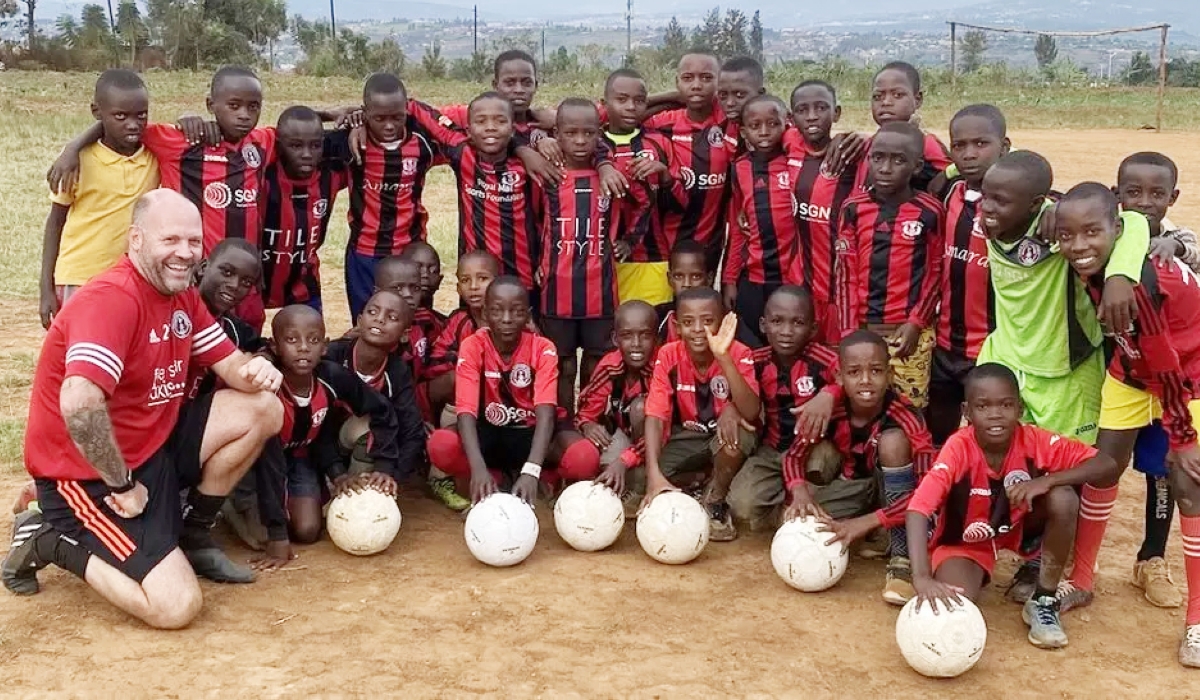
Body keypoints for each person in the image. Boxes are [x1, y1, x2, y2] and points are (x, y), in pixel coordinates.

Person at [3, 190, 283, 629]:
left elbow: (231, 366)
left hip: (151, 448)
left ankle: (194, 532)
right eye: (170, 240)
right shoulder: (113, 300)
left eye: (193, 241)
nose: (186, 253)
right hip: (89, 475)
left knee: (264, 408)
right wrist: (122, 482)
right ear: (135, 239)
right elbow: (80, 402)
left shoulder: (181, 296)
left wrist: (259, 370)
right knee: (176, 607)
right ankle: (49, 537)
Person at [1051, 182, 1200, 665]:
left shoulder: (1145, 285)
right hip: (1130, 372)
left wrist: (1183, 437)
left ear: (1116, 230)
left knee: (1187, 480)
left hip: (1189, 376)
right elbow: (1122, 218)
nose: (1078, 246)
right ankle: (1082, 580)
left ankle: (1197, 621)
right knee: (1103, 467)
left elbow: (1168, 364)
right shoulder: (1104, 261)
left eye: (1092, 232)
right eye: (1067, 235)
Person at [907, 363, 1119, 650]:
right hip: (967, 540)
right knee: (954, 605)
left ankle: (1043, 600)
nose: (995, 414)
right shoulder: (959, 447)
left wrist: (1048, 481)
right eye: (983, 406)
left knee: (1063, 496)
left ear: (1019, 409)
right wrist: (920, 577)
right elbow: (918, 509)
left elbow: (1106, 465)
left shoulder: (1033, 440)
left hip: (1021, 527)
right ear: (967, 412)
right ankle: (967, 571)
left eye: (1006, 405)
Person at [781, 330, 935, 605]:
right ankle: (874, 533)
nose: (865, 380)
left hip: (895, 494)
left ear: (889, 375)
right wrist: (799, 492)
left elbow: (927, 495)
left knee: (893, 442)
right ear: (839, 377)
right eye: (854, 372)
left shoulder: (907, 417)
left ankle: (902, 558)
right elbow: (792, 457)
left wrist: (867, 521)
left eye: (876, 371)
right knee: (798, 521)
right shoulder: (828, 409)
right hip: (852, 486)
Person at [1117, 151, 1199, 607]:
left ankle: (1151, 558)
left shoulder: (1176, 239)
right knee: (1100, 466)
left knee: (1162, 472)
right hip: (1121, 376)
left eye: (1156, 194)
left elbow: (1196, 253)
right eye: (1133, 193)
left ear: (1172, 198)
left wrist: (1178, 248)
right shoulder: (1106, 235)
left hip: (1173, 382)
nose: (1145, 203)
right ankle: (1073, 560)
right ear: (1117, 196)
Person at [259, 305, 401, 550]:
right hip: (257, 466)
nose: (303, 347)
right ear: (274, 346)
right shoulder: (267, 386)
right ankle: (237, 503)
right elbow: (266, 461)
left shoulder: (332, 376)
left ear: (324, 347)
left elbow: (381, 410)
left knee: (307, 531)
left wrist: (344, 473)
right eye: (292, 339)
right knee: (262, 538)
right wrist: (276, 534)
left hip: (301, 459)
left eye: (313, 340)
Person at [538, 99, 638, 415]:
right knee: (563, 364)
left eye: (589, 133)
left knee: (598, 363)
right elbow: (530, 223)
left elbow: (642, 205)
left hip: (601, 291)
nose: (580, 141)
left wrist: (628, 240)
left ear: (600, 135)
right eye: (571, 133)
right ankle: (566, 420)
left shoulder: (611, 177)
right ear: (557, 134)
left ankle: (591, 418)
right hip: (556, 291)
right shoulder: (547, 176)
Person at [834, 121, 943, 409]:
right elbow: (845, 275)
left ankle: (913, 454)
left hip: (908, 334)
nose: (885, 168)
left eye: (898, 160)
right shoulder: (853, 208)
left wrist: (916, 323)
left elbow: (935, 273)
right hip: (863, 329)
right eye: (878, 158)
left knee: (909, 407)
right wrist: (848, 333)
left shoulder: (930, 211)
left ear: (917, 166)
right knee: (860, 406)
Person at [39, 69, 159, 330]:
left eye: (141, 115)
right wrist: (45, 288)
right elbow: (55, 223)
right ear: (97, 112)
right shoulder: (77, 161)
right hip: (80, 277)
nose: (132, 124)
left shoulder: (154, 154)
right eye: (120, 116)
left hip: (132, 279)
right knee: (78, 351)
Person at [426, 277, 560, 505]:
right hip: (487, 432)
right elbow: (465, 411)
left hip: (528, 434)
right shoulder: (472, 345)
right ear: (485, 314)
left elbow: (546, 412)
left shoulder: (543, 348)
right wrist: (477, 469)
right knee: (441, 444)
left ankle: (532, 476)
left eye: (516, 312)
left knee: (582, 458)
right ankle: (489, 478)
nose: (507, 319)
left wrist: (533, 469)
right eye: (497, 311)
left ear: (528, 316)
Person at [642, 287, 760, 541]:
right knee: (649, 476)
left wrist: (723, 356)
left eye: (708, 321)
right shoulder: (669, 354)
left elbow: (751, 412)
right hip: (690, 436)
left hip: (725, 436)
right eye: (688, 322)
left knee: (735, 435)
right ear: (676, 325)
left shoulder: (740, 353)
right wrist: (653, 475)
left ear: (722, 321)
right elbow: (654, 414)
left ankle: (714, 499)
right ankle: (703, 478)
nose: (697, 329)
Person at [927, 104, 1010, 446]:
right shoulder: (947, 194)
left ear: (1004, 147)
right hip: (944, 346)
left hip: (993, 350)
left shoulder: (1023, 207)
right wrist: (946, 174)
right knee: (937, 434)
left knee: (990, 439)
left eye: (980, 144)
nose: (969, 154)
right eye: (959, 146)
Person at [728, 286, 840, 531]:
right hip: (771, 450)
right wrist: (730, 407)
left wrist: (830, 393)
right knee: (741, 506)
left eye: (798, 323)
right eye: (777, 321)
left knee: (823, 460)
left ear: (812, 329)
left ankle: (800, 499)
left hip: (814, 448)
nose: (787, 332)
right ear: (763, 324)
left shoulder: (825, 359)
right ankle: (787, 511)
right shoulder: (756, 360)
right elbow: (733, 389)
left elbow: (850, 376)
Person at [555, 300, 659, 506]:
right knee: (593, 462)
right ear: (615, 338)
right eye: (627, 336)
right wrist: (587, 425)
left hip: (660, 442)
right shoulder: (611, 366)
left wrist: (624, 461)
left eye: (645, 335)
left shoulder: (659, 368)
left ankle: (640, 484)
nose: (636, 344)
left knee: (641, 408)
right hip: (624, 436)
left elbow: (662, 429)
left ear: (656, 339)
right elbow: (585, 412)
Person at [644, 53, 737, 274]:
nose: (696, 85)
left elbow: (767, 109)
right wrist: (665, 98)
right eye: (687, 78)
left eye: (706, 78)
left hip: (709, 246)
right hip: (664, 245)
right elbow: (617, 116)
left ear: (719, 83)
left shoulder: (730, 121)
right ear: (677, 83)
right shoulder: (662, 123)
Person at [723, 94, 803, 347]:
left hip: (791, 277)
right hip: (753, 277)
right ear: (744, 132)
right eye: (755, 126)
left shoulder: (796, 162)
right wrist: (729, 280)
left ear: (787, 123)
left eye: (773, 123)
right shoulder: (739, 168)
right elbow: (737, 230)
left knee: (789, 341)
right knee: (750, 343)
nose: (765, 132)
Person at [786, 80, 862, 343]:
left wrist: (855, 138)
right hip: (801, 284)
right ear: (791, 117)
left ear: (836, 112)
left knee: (839, 358)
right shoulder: (790, 145)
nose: (812, 116)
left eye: (821, 107)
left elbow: (898, 143)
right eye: (802, 109)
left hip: (840, 291)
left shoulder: (853, 156)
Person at [258, 106, 349, 315]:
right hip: (254, 282)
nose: (307, 154)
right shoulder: (259, 174)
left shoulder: (331, 174)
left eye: (315, 145)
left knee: (308, 341)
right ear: (279, 146)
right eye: (296, 146)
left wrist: (355, 121)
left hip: (303, 284)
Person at [597, 68, 677, 308]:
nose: (631, 106)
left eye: (639, 100)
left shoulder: (659, 143)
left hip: (652, 260)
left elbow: (680, 203)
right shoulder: (591, 145)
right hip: (602, 263)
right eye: (621, 99)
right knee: (612, 335)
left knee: (652, 333)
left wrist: (664, 175)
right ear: (604, 104)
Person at [427, 250, 500, 426]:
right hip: (462, 395)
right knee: (455, 378)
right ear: (458, 288)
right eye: (466, 280)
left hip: (505, 396)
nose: (473, 286)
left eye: (482, 279)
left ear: (497, 283)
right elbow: (436, 362)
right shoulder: (458, 320)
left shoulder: (509, 319)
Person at [858, 61, 951, 193]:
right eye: (878, 96)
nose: (886, 102)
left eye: (898, 95)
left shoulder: (926, 144)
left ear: (917, 100)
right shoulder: (867, 143)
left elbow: (951, 180)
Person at [437, 50, 553, 140]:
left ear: (536, 86)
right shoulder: (473, 115)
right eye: (510, 83)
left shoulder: (547, 124)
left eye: (527, 83)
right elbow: (426, 116)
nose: (519, 90)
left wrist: (557, 120)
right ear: (495, 85)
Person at [658, 240, 713, 343]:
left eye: (696, 276)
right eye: (679, 276)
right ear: (669, 279)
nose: (687, 284)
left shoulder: (723, 317)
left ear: (709, 278)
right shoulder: (658, 317)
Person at [401, 240, 446, 317]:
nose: (425, 274)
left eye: (433, 270)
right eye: (418, 268)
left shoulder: (443, 324)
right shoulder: (386, 320)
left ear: (440, 280)